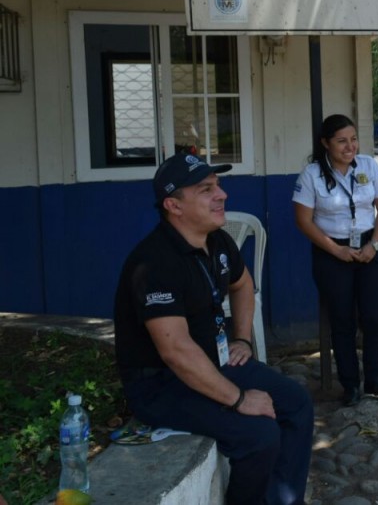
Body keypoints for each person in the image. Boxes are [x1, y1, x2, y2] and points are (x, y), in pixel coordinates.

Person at [114, 153, 313, 505]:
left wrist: (241, 338)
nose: (221, 195)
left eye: (218, 185)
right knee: (259, 435)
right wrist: (239, 399)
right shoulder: (153, 263)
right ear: (173, 205)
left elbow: (242, 285)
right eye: (206, 189)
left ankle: (284, 501)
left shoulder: (216, 240)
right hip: (162, 384)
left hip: (213, 362)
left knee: (296, 403)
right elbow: (175, 351)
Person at [293, 114, 378, 406]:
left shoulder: (369, 166)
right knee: (342, 320)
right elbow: (303, 221)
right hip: (331, 252)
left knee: (374, 318)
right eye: (341, 141)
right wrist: (336, 251)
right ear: (326, 143)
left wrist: (374, 244)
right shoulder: (311, 175)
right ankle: (350, 384)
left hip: (369, 248)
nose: (349, 147)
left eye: (353, 139)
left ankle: (374, 379)